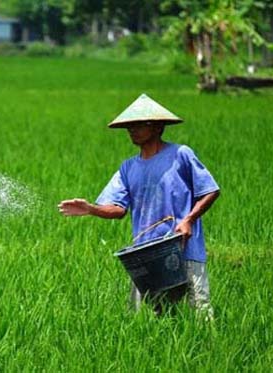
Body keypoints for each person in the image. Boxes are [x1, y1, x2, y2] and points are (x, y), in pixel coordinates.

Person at [58, 94, 220, 317]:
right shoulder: (128, 168)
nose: (131, 130)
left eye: (138, 125)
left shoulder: (180, 155)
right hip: (146, 254)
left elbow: (210, 190)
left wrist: (189, 220)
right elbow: (117, 209)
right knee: (147, 317)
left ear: (157, 127)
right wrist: (91, 209)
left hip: (184, 247)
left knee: (198, 310)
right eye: (129, 126)